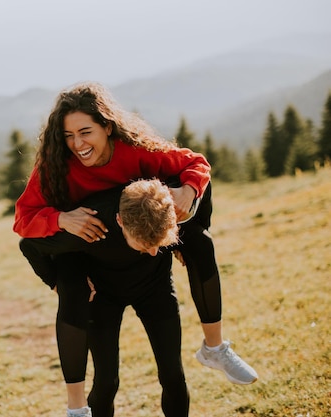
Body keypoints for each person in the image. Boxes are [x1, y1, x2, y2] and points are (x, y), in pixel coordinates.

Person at [13, 82, 257, 415]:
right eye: (68, 136)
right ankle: (77, 407)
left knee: (199, 244)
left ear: (107, 127)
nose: (78, 144)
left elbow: (197, 164)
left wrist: (188, 189)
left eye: (86, 132)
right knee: (105, 380)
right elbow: (23, 223)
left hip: (149, 266)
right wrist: (60, 219)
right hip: (98, 273)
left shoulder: (137, 150)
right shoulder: (56, 167)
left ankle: (214, 347)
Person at [20, 179, 187, 416]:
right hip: (104, 297)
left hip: (155, 289)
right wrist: (55, 282)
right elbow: (29, 245)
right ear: (120, 222)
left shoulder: (165, 205)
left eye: (159, 242)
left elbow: (198, 193)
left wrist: (183, 246)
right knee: (107, 382)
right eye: (144, 244)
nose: (153, 252)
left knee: (172, 375)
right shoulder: (92, 224)